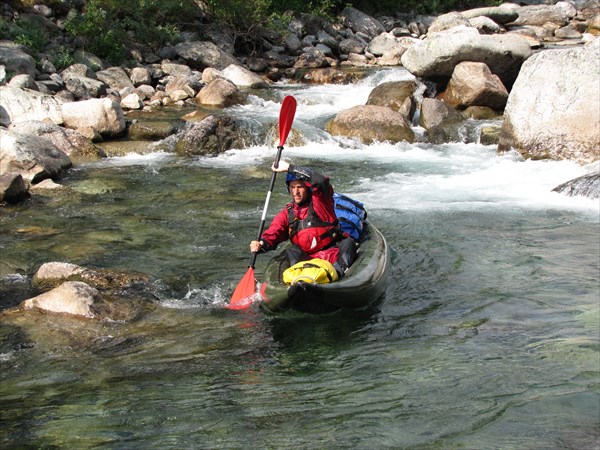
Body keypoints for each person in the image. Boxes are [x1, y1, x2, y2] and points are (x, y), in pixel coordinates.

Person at [250, 161, 357, 277]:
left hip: (332, 255)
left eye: (300, 187)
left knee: (349, 243)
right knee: (291, 251)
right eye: (292, 187)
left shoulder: (321, 202)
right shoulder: (288, 212)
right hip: (307, 261)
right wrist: (261, 243)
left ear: (308, 188)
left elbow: (321, 181)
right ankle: (301, 278)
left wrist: (289, 168)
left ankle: (338, 273)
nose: (296, 192)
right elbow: (273, 233)